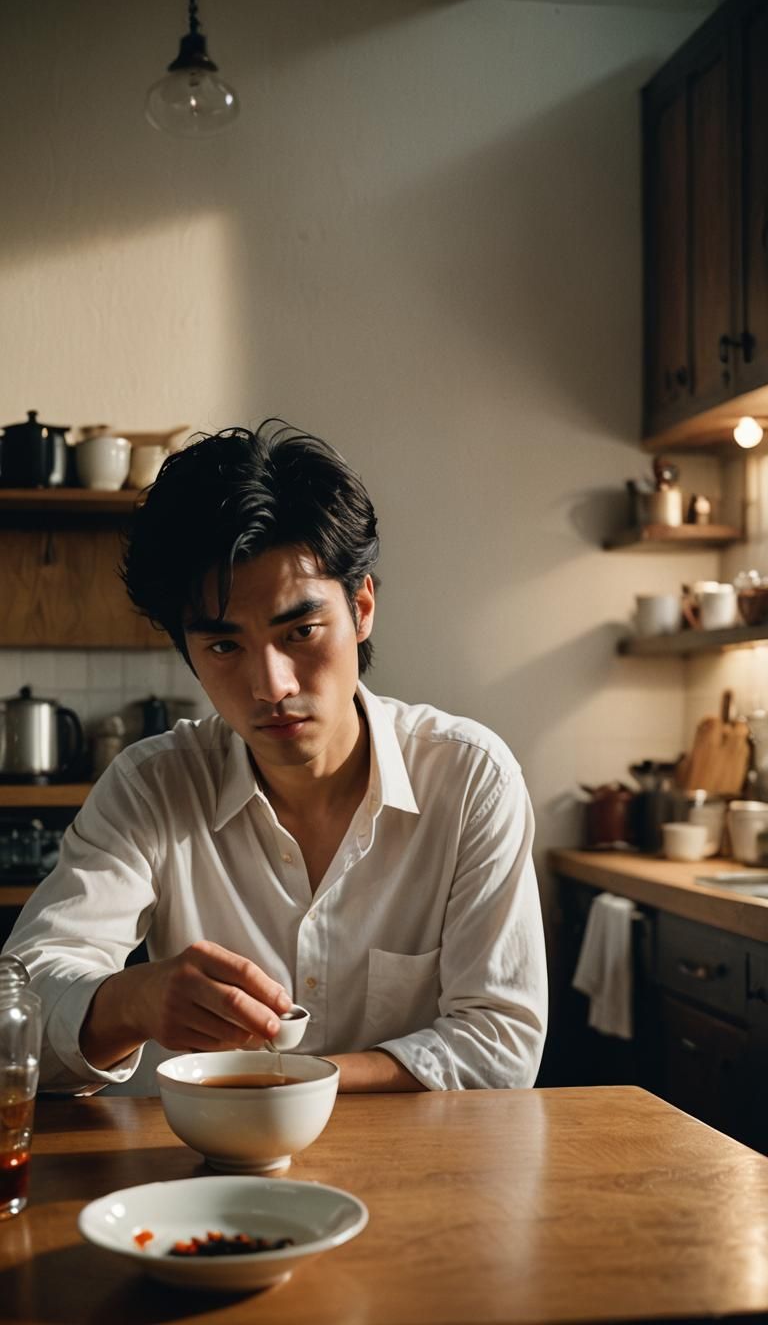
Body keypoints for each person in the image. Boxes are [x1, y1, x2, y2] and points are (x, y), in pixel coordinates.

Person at [4, 422, 547, 1094]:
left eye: (301, 631)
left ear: (363, 606)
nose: (272, 687)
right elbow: (20, 1006)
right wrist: (129, 1004)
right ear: (188, 652)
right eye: (224, 647)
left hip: (419, 1178)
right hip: (207, 1180)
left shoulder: (468, 780)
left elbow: (500, 1045)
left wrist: (288, 1086)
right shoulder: (153, 787)